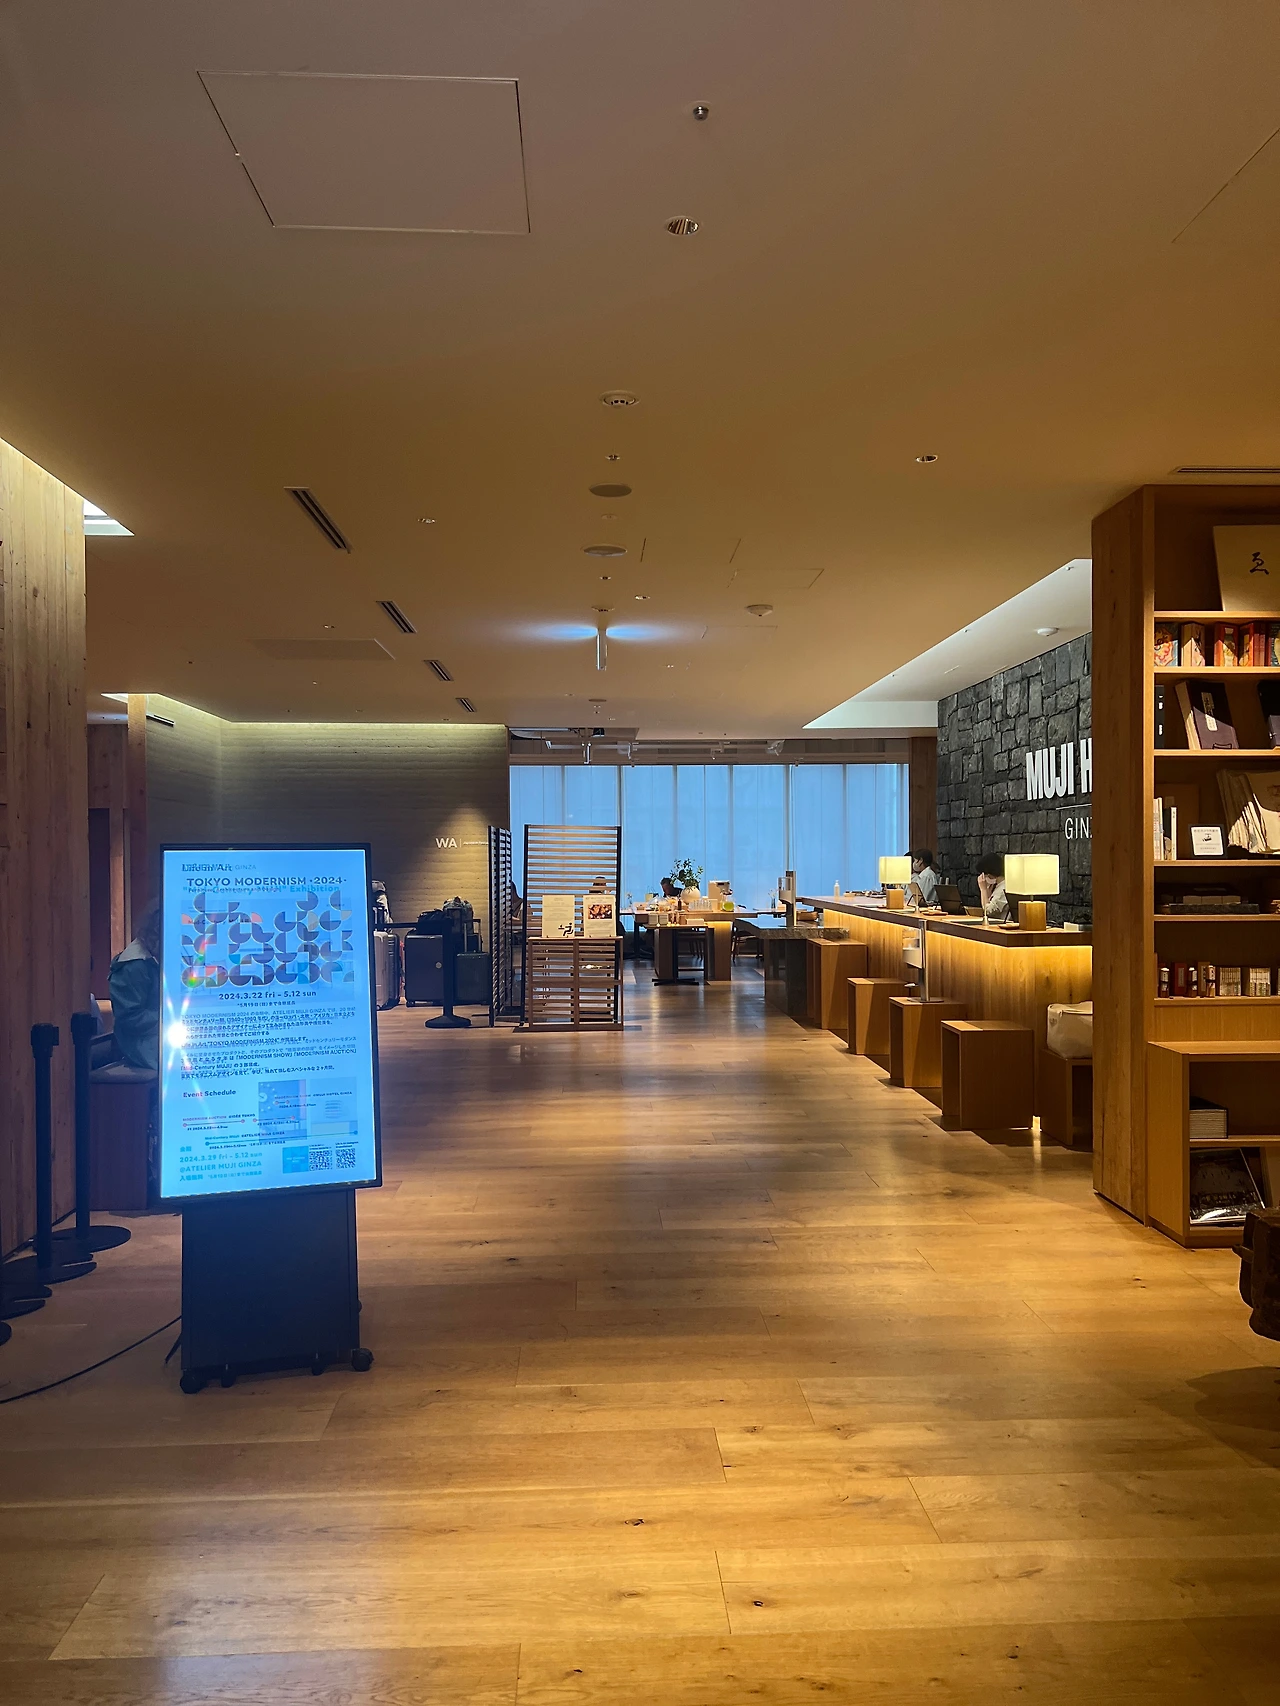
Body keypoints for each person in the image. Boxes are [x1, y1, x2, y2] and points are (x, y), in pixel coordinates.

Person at [108, 898, 161, 1071]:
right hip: (141, 1040)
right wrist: (167, 1018)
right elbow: (130, 1018)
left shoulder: (157, 957)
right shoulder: (134, 965)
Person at [977, 853, 1011, 923]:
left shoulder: (1003, 889)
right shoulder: (999, 886)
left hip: (1002, 925)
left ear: (989, 874)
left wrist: (983, 890)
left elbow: (988, 911)